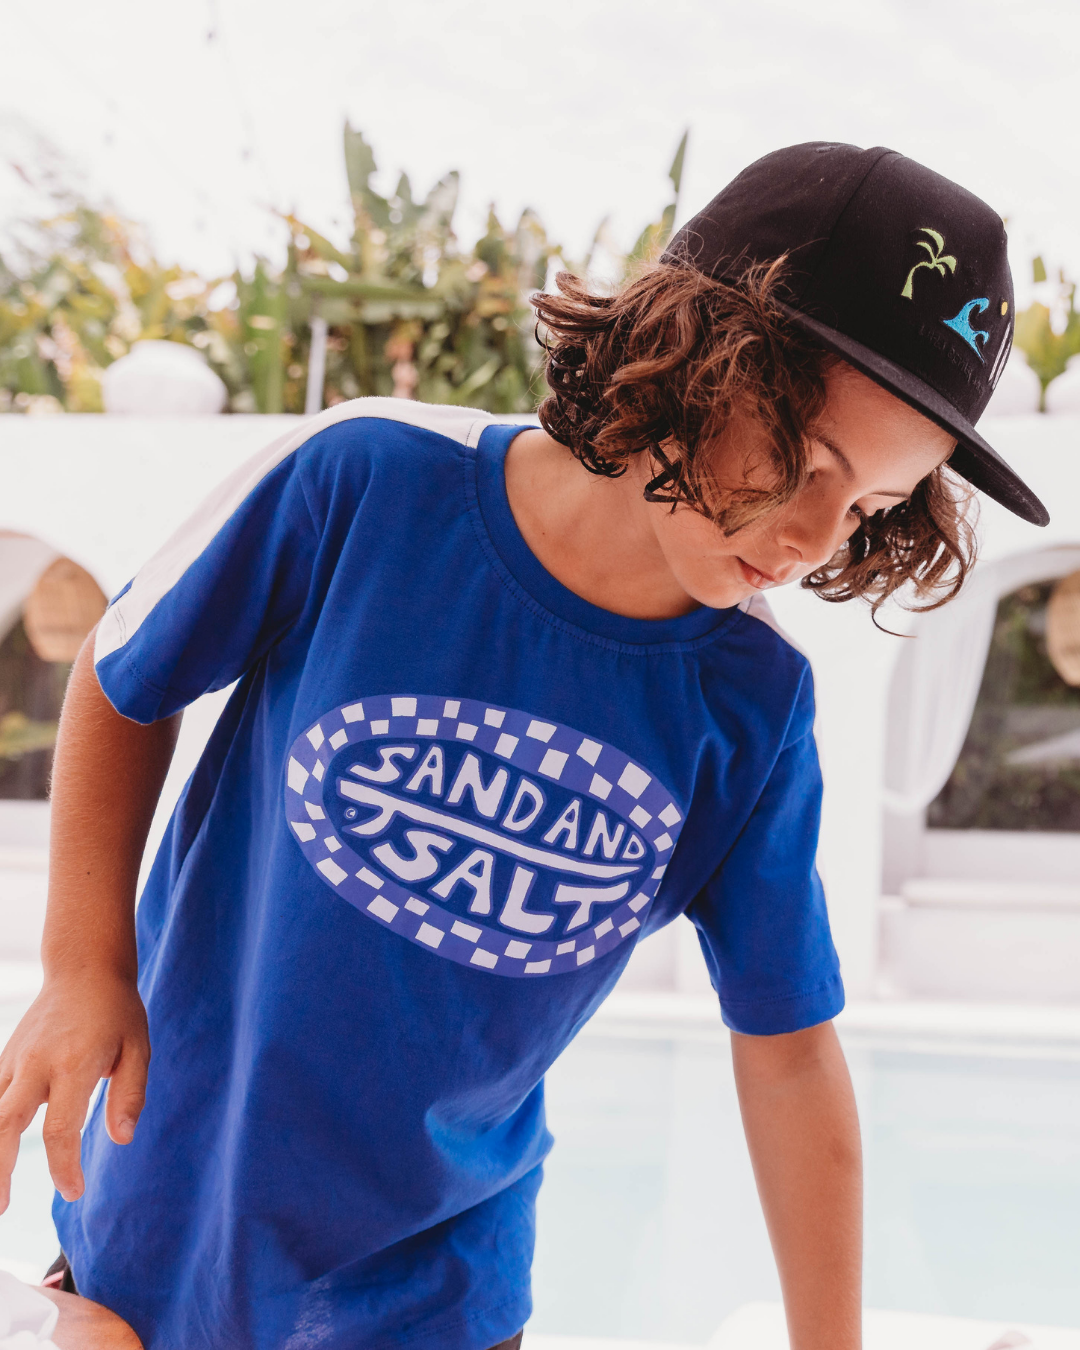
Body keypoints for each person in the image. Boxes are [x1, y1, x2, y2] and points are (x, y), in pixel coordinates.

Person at [0, 142, 1047, 1350]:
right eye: (803, 460)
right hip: (155, 1211)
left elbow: (790, 1056)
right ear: (695, 354)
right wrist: (83, 965)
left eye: (868, 505)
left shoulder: (751, 707)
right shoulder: (366, 481)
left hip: (438, 1300)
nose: (815, 537)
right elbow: (124, 670)